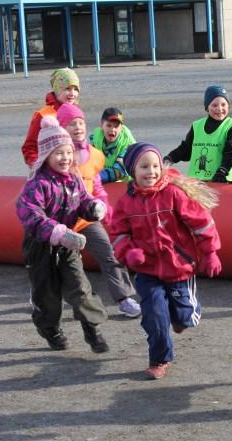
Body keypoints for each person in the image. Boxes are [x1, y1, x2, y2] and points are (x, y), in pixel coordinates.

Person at [108, 142, 222, 380]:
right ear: (132, 171)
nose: (151, 172)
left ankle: (180, 318)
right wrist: (128, 252)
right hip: (147, 269)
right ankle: (159, 359)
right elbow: (117, 233)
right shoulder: (126, 202)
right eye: (144, 167)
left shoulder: (173, 193)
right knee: (154, 315)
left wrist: (210, 252)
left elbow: (201, 223)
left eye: (155, 166)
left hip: (179, 267)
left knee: (184, 317)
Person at [16, 115, 110, 353]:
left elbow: (83, 200)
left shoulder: (74, 179)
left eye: (68, 152)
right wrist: (56, 231)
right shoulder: (37, 184)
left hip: (68, 245)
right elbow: (30, 214)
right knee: (47, 294)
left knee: (80, 287)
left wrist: (92, 208)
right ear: (46, 155)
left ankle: (92, 329)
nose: (65, 158)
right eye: (58, 153)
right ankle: (50, 329)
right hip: (41, 246)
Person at [56, 103, 142, 318]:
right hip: (59, 221)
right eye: (71, 124)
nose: (77, 127)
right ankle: (43, 296)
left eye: (80, 123)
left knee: (109, 254)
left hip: (86, 218)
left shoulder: (93, 154)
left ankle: (124, 299)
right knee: (54, 262)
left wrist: (103, 205)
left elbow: (97, 184)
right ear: (61, 127)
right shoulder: (55, 154)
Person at [164, 85, 232, 182]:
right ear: (207, 107)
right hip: (195, 182)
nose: (219, 109)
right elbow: (186, 149)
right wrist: (170, 158)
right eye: (214, 105)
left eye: (224, 105)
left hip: (220, 181)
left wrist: (223, 170)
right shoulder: (197, 125)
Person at [21, 67, 80, 167]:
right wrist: (39, 167)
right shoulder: (43, 115)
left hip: (72, 171)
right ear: (57, 89)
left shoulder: (76, 113)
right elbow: (30, 147)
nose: (72, 93)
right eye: (67, 89)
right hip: (50, 173)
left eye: (75, 89)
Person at [90, 107, 137, 183]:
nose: (112, 129)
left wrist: (95, 177)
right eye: (109, 125)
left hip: (126, 184)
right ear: (102, 125)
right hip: (104, 182)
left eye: (116, 126)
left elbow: (119, 171)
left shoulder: (129, 145)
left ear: (121, 128)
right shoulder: (95, 139)